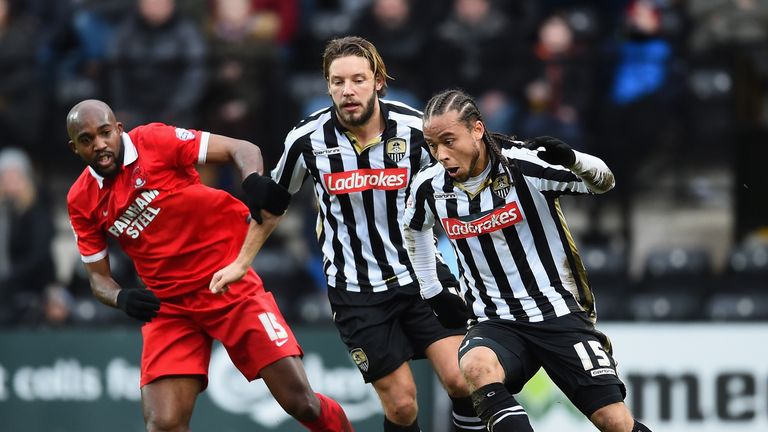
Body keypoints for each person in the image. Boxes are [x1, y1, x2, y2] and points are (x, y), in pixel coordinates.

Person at [221, 36, 481, 431]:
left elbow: (467, 170)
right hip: (356, 290)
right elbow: (274, 204)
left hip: (421, 277)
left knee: (464, 378)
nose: (348, 91)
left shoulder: (414, 129)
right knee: (402, 407)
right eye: (338, 81)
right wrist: (242, 262)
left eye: (358, 79)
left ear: (378, 81)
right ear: (327, 85)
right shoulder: (306, 139)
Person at [65, 99, 353, 432]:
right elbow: (99, 280)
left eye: (104, 133)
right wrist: (121, 298)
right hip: (169, 306)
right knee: (164, 424)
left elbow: (241, 148)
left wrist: (252, 181)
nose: (99, 145)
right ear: (75, 148)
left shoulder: (153, 141)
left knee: (301, 403)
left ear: (118, 130)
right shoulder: (80, 200)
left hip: (227, 280)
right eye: (87, 140)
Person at [402, 89, 653, 432]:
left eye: (449, 141)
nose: (441, 155)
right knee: (476, 366)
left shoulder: (524, 165)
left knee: (614, 421)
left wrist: (573, 159)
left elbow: (604, 183)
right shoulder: (429, 186)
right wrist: (432, 290)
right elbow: (413, 229)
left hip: (557, 312)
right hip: (496, 320)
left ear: (477, 130)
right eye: (433, 146)